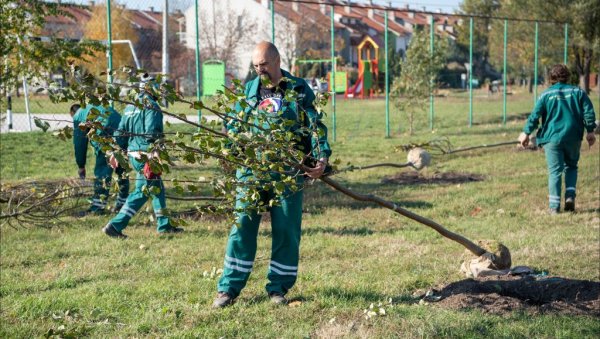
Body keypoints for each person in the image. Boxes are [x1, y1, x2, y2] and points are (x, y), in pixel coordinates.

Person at [212, 41, 332, 308]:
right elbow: (233, 126)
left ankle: (278, 287)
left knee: (287, 229)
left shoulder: (298, 90)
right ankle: (228, 288)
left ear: (277, 61)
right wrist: (231, 150)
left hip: (287, 173)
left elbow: (314, 126)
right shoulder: (248, 92)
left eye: (263, 65)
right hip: (252, 171)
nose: (259, 70)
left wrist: (321, 157)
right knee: (241, 225)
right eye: (255, 66)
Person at [102, 74, 183, 238]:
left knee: (156, 188)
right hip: (146, 155)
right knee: (142, 192)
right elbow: (152, 131)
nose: (160, 91)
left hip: (134, 154)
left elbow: (121, 132)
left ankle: (165, 225)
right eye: (157, 87)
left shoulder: (131, 106)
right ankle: (115, 225)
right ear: (149, 88)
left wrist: (115, 151)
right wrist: (154, 153)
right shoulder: (150, 105)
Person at [518, 64, 596, 214]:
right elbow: (588, 112)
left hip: (552, 138)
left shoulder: (545, 95)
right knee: (571, 166)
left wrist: (526, 133)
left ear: (551, 79)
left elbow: (535, 115)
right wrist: (590, 131)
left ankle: (554, 207)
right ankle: (570, 197)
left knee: (555, 171)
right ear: (568, 77)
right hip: (573, 136)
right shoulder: (578, 92)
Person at [71, 103, 129, 214]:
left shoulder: (78, 116)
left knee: (103, 171)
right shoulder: (92, 107)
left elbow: (79, 144)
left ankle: (97, 207)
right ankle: (123, 203)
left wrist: (81, 165)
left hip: (105, 131)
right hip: (123, 128)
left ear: (72, 113)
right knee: (122, 169)